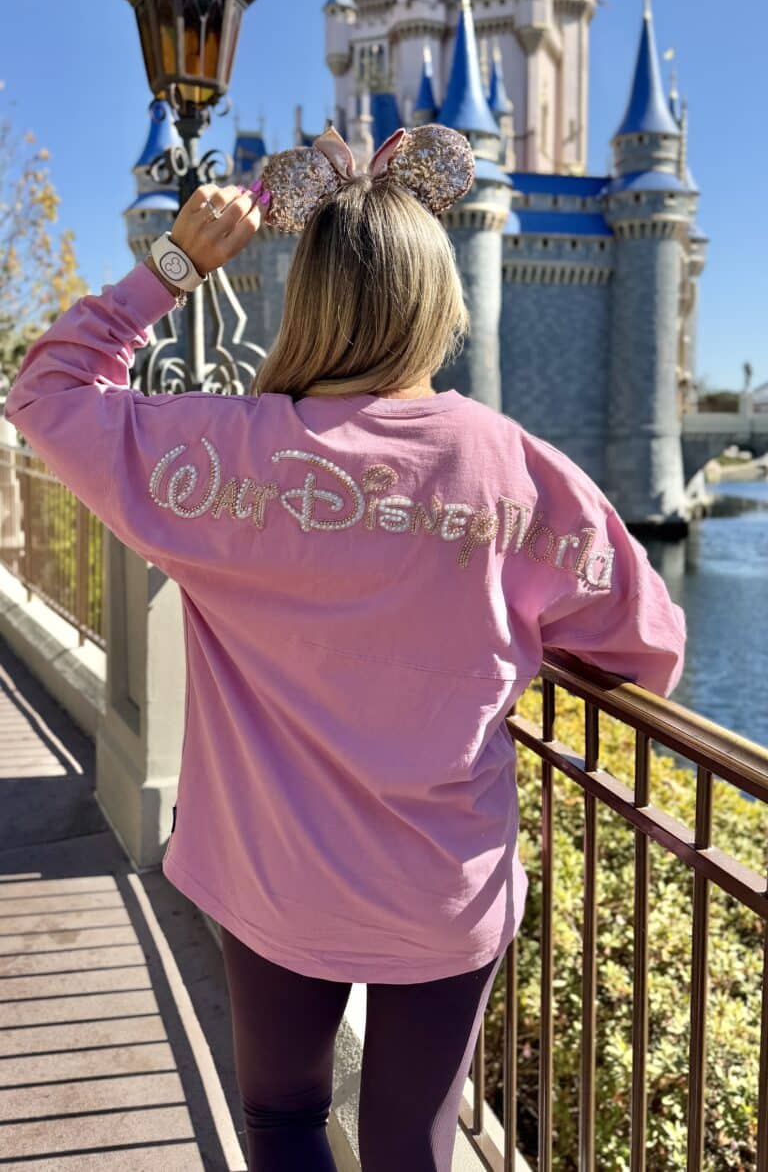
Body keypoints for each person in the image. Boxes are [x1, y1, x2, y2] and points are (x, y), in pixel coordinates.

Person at [4, 123, 687, 1171]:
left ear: (306, 300)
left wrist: (174, 266)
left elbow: (45, 396)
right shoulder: (516, 469)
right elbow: (648, 648)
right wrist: (506, 645)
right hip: (444, 887)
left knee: (281, 1121)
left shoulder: (216, 454)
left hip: (271, 876)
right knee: (411, 1146)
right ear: (438, 304)